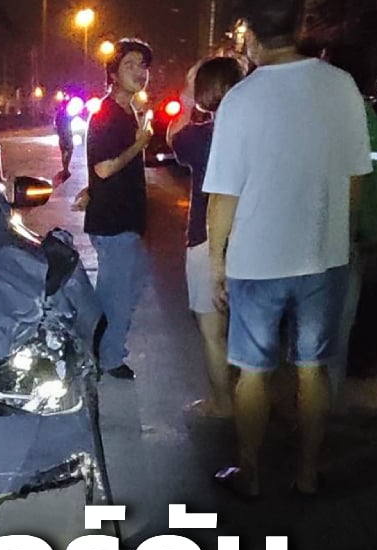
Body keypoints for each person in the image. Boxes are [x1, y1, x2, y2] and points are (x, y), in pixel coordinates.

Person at [203, 0, 372, 497]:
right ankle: (307, 474)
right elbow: (356, 177)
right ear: (300, 26)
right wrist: (343, 236)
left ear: (250, 36)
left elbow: (224, 194)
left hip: (257, 259)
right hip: (323, 255)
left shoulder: (241, 98)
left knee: (253, 373)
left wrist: (216, 262)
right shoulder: (341, 86)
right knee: (312, 368)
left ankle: (250, 474)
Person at [168, 56, 245, 418]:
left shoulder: (201, 137)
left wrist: (186, 96)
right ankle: (250, 396)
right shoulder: (257, 136)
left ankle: (223, 403)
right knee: (247, 330)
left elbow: (173, 136)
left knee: (212, 331)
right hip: (251, 240)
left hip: (207, 238)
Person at [321, 43, 377, 411]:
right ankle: (317, 408)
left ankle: (310, 410)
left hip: (326, 238)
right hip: (344, 240)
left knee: (318, 331)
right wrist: (372, 235)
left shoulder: (325, 115)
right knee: (332, 331)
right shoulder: (366, 120)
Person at [84, 37, 154, 380]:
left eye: (143, 66)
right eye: (129, 65)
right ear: (113, 74)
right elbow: (104, 167)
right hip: (113, 223)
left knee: (123, 289)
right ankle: (108, 358)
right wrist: (139, 145)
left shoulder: (129, 112)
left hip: (125, 219)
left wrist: (90, 189)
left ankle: (96, 349)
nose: (139, 72)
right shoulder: (107, 114)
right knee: (118, 296)